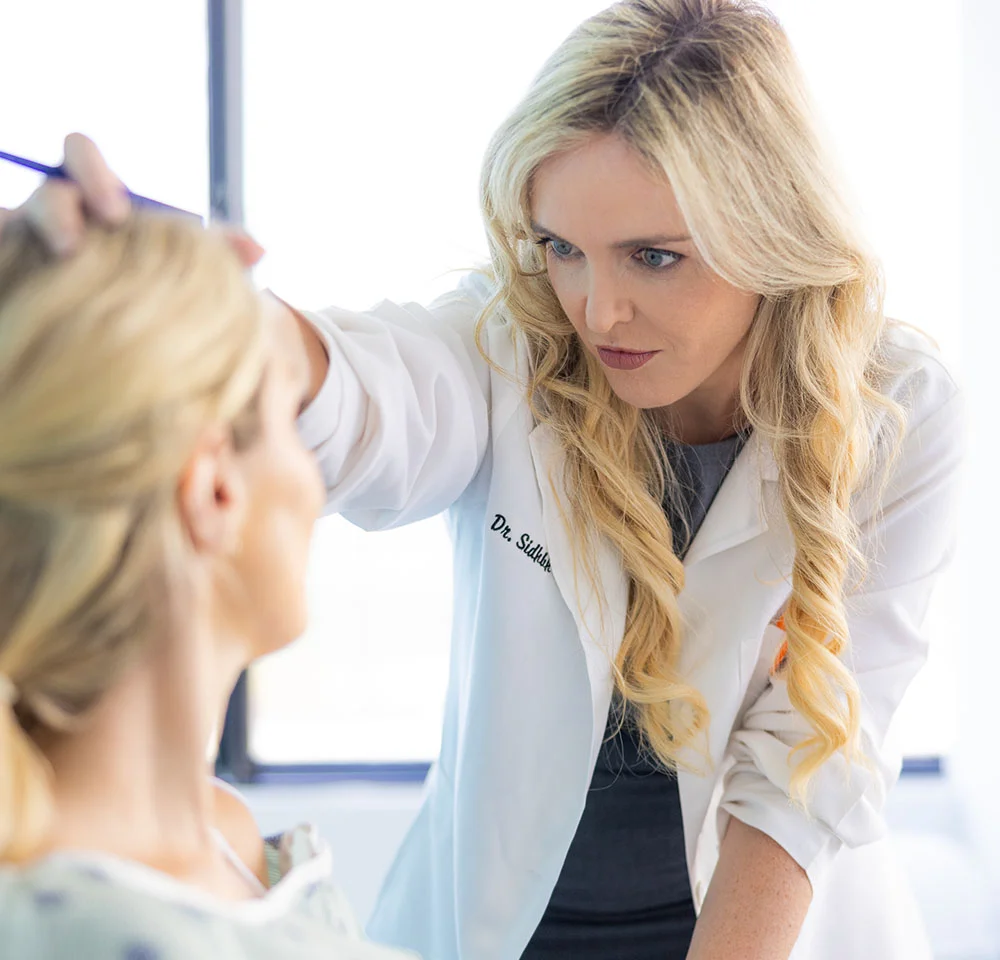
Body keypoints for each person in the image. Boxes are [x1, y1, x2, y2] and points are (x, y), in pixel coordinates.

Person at [4, 1, 963, 958]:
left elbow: (808, 759)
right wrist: (191, 304)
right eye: (560, 248)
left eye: (655, 257)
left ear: (774, 234)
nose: (597, 309)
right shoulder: (512, 346)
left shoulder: (899, 410)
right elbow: (371, 396)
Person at [0, 214, 415, 959]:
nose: (315, 482)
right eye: (292, 418)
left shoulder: (229, 842)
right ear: (213, 487)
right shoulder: (77, 930)